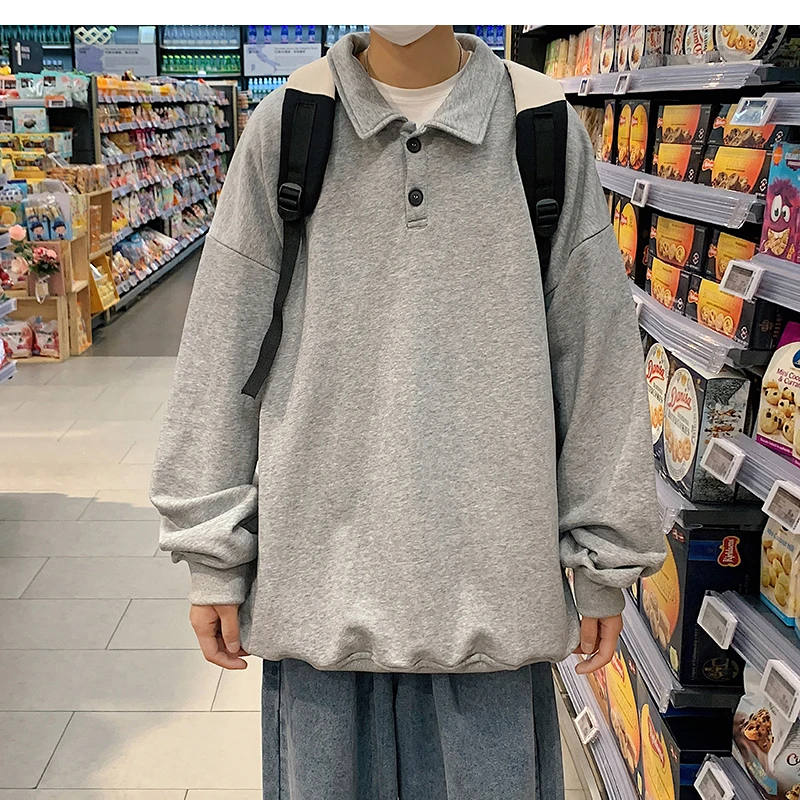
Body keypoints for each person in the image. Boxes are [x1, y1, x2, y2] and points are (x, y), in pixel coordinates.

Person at [151, 25, 665, 799]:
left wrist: (605, 556)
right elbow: (221, 345)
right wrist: (211, 554)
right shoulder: (289, 127)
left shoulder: (541, 128)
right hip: (321, 603)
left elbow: (597, 359)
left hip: (492, 604)